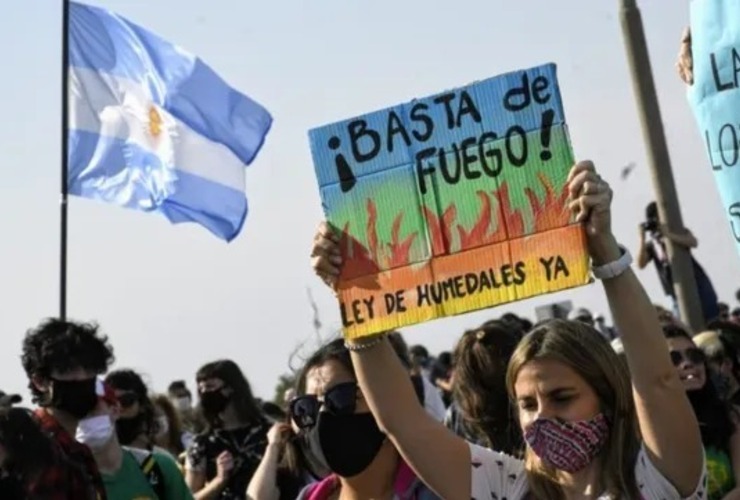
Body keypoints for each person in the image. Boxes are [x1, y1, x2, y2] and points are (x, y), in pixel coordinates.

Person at [310, 160, 706, 498]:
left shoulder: (656, 477)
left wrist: (605, 252)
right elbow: (402, 422)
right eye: (528, 405)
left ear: (607, 396)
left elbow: (658, 383)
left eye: (562, 397)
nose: (543, 417)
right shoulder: (509, 486)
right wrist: (357, 299)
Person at [289, 338, 440, 500]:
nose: (322, 415)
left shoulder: (442, 488)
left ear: (385, 398)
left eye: (340, 397)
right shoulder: (308, 497)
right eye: (307, 407)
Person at [21, 318, 114, 499]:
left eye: (89, 369)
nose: (81, 378)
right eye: (67, 370)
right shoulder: (38, 448)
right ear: (40, 381)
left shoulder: (76, 451)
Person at [76, 381, 194, 499]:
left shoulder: (158, 467)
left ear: (115, 410)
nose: (84, 418)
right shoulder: (67, 480)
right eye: (76, 413)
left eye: (91, 409)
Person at [185, 360, 271, 500]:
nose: (205, 393)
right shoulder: (202, 443)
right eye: (201, 389)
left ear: (231, 387)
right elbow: (188, 497)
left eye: (210, 386)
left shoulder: (268, 432)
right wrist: (219, 480)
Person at [637, 201, 719, 323]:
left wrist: (668, 235)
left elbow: (693, 242)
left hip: (697, 281)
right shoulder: (653, 245)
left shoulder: (678, 230)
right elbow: (641, 264)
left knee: (712, 317)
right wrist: (642, 239)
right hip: (675, 290)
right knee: (685, 323)